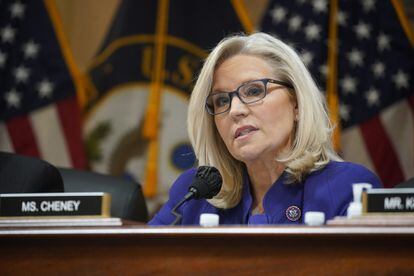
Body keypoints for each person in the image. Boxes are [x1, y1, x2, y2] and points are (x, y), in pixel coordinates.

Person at [149, 32, 381, 225]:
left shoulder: (347, 188)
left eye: (253, 91)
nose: (235, 110)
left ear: (297, 103)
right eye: (221, 101)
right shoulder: (194, 195)